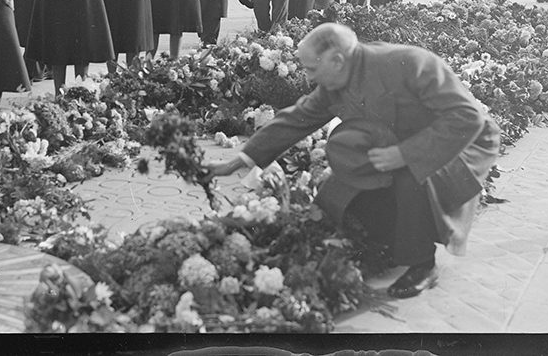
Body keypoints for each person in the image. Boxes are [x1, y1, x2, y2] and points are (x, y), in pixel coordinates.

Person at [203, 22, 500, 299]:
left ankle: (421, 264)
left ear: (337, 60)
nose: (307, 77)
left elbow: (466, 118)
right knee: (341, 190)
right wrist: (243, 157)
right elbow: (299, 117)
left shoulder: (411, 62)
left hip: (462, 141)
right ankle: (387, 243)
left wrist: (404, 154)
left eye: (311, 68)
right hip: (397, 141)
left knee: (411, 177)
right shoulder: (336, 80)